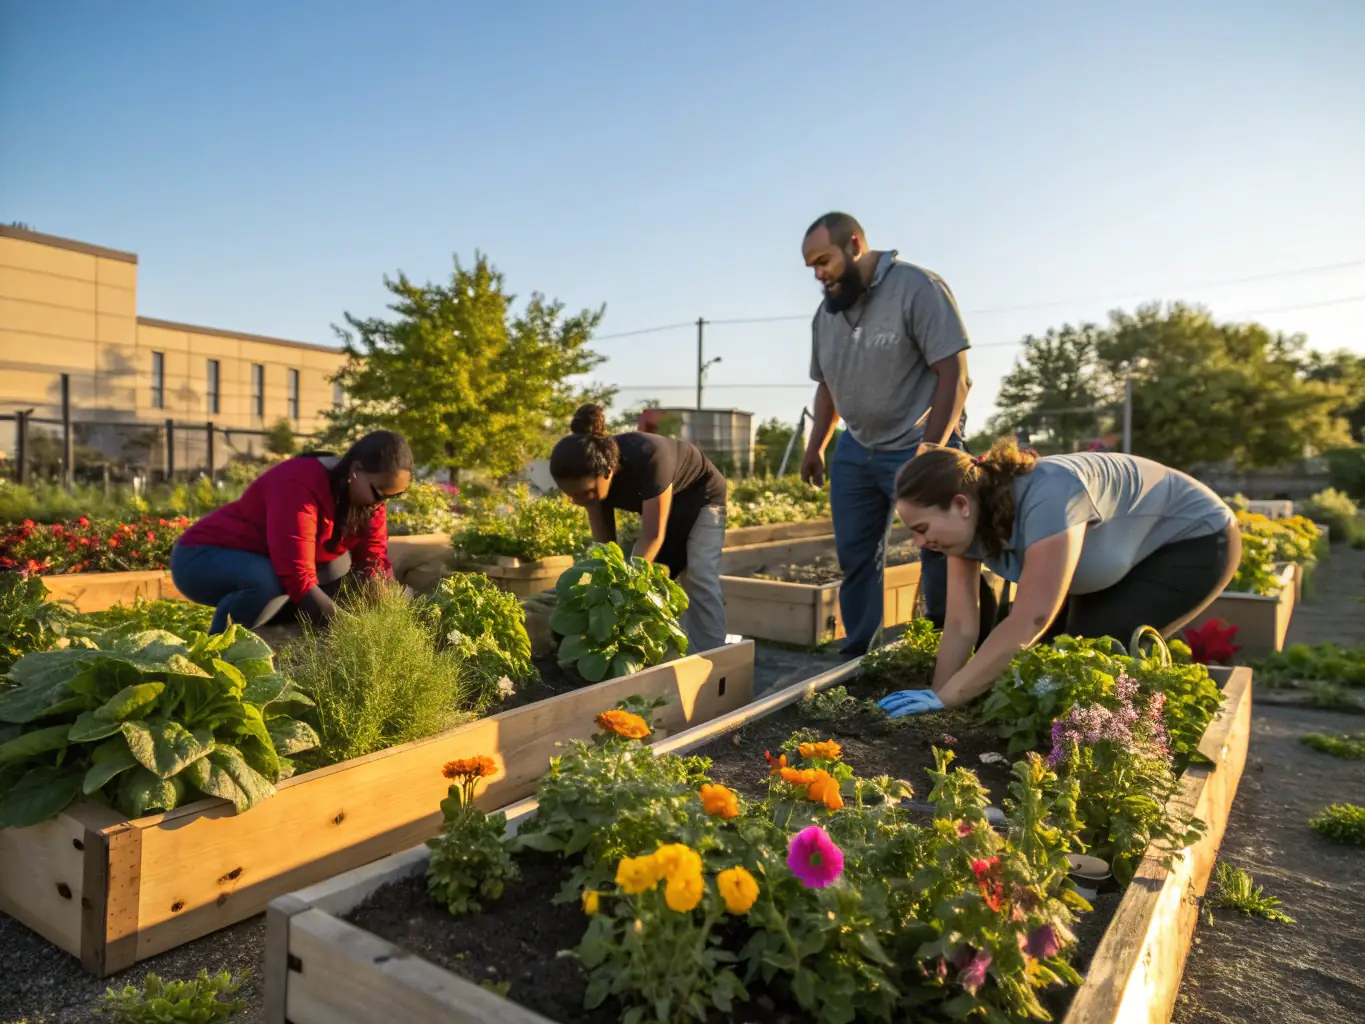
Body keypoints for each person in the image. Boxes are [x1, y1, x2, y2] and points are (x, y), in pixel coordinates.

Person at [876, 439, 1241, 717]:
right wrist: (938, 700)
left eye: (921, 528)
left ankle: (1138, 744)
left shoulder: (1050, 496)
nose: (921, 543)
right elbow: (960, 625)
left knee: (1091, 660)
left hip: (1192, 540)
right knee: (1038, 671)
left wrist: (950, 697)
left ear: (961, 504)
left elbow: (1031, 618)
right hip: (1115, 558)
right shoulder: (961, 532)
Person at [799, 211, 975, 656]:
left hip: (918, 441)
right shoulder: (826, 315)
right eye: (812, 268)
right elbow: (827, 386)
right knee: (856, 555)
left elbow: (954, 374)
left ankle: (943, 647)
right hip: (858, 448)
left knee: (940, 548)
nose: (819, 275)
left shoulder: (916, 288)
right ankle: (860, 653)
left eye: (824, 261)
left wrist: (931, 451)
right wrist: (816, 446)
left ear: (855, 244)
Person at [171, 430, 414, 633]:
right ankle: (218, 648)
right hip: (204, 557)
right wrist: (350, 629)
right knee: (266, 582)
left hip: (266, 560)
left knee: (339, 569)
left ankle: (273, 622)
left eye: (393, 497)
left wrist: (389, 607)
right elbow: (297, 575)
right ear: (356, 470)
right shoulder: (298, 483)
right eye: (380, 493)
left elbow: (373, 558)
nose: (382, 505)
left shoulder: (370, 501)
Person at [550, 404, 728, 654]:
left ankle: (716, 656)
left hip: (701, 494)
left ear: (608, 472)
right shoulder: (592, 480)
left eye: (585, 493)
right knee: (660, 576)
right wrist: (601, 583)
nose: (580, 500)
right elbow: (604, 546)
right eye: (572, 496)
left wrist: (626, 585)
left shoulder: (649, 457)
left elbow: (653, 535)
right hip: (661, 501)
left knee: (698, 574)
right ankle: (677, 652)